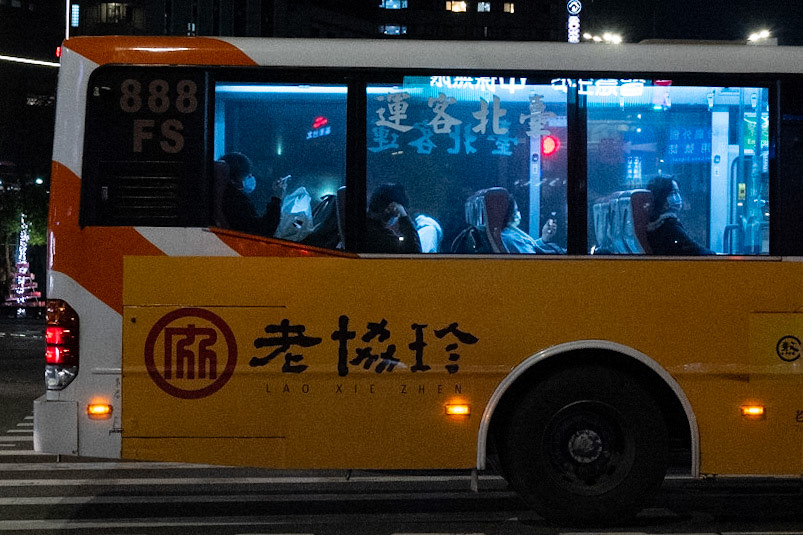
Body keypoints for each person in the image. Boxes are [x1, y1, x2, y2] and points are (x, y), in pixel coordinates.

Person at [219, 152, 286, 237]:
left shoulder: (223, 194)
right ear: (233, 180)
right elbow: (264, 230)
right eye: (247, 175)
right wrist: (277, 198)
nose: (251, 177)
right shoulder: (235, 201)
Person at [645, 176, 714, 255]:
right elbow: (694, 249)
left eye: (678, 192)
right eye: (673, 193)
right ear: (661, 197)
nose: (678, 196)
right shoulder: (669, 225)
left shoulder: (656, 223)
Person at [364, 183, 422, 253]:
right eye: (398, 213)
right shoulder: (387, 240)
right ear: (391, 208)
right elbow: (414, 253)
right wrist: (404, 218)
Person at [500, 194, 566, 254]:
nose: (517, 213)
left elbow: (529, 247)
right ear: (509, 213)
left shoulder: (507, 234)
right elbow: (533, 256)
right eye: (515, 210)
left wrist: (544, 238)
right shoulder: (510, 238)